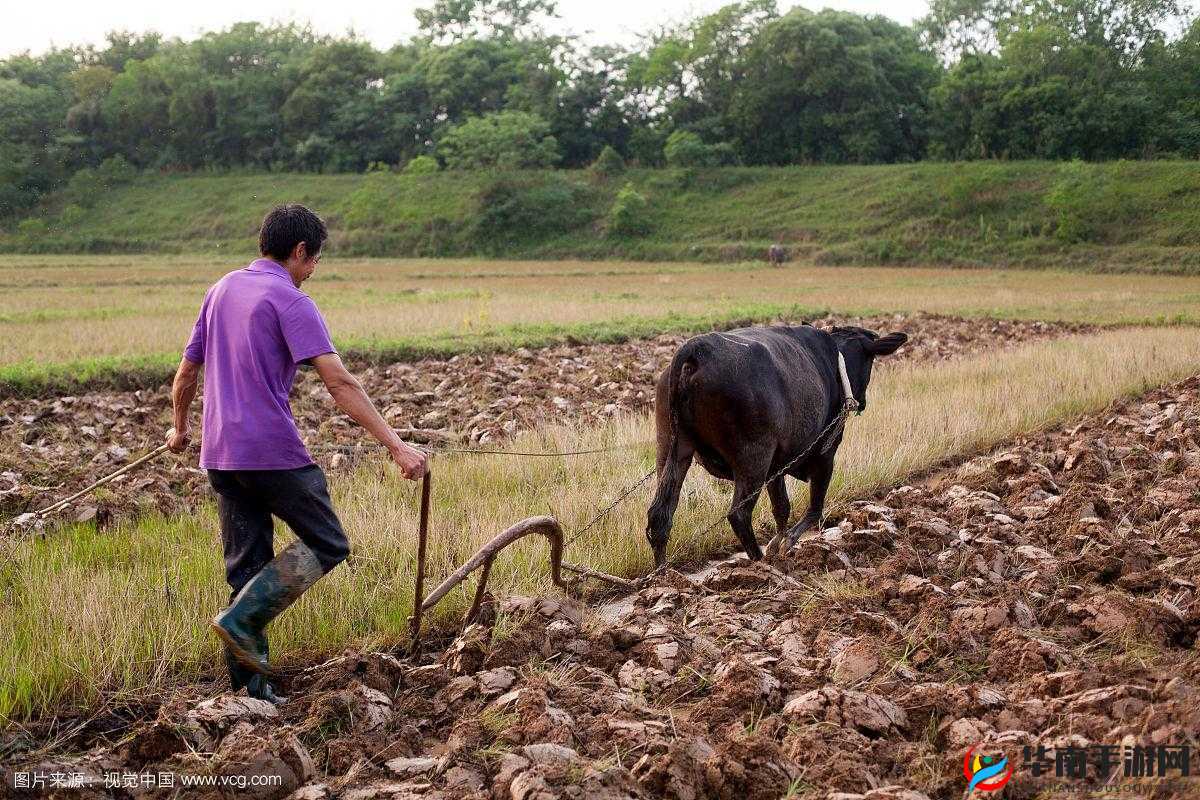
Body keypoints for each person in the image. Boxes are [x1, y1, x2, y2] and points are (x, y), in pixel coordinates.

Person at [167, 204, 427, 703]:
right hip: (270, 452)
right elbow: (339, 382)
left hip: (221, 457)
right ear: (300, 251)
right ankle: (242, 621)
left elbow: (185, 374)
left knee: (246, 572)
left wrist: (179, 430)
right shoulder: (291, 300)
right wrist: (397, 447)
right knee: (328, 542)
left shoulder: (221, 289)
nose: (312, 274)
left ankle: (252, 694)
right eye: (313, 262)